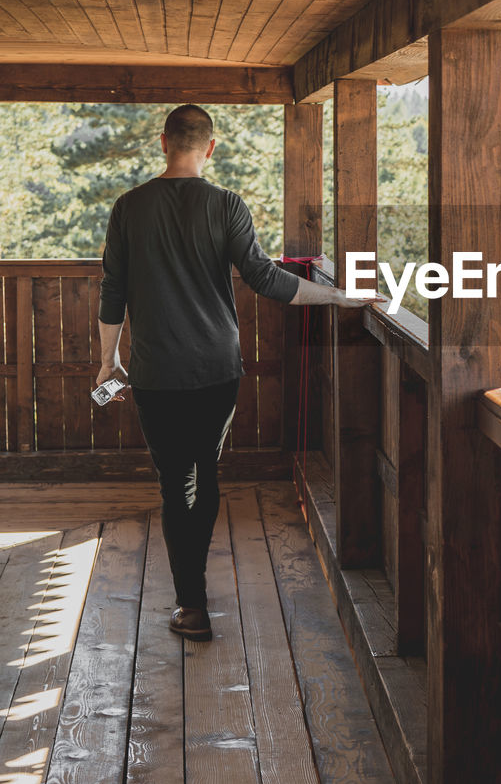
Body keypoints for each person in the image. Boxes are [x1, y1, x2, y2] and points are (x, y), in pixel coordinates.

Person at [96, 103, 375, 642]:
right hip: (218, 368)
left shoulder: (129, 207)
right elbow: (267, 279)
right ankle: (194, 591)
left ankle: (192, 603)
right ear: (211, 147)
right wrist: (339, 295)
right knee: (205, 470)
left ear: (163, 143)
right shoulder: (227, 205)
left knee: (177, 483)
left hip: (156, 372)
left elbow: (113, 292)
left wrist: (109, 361)